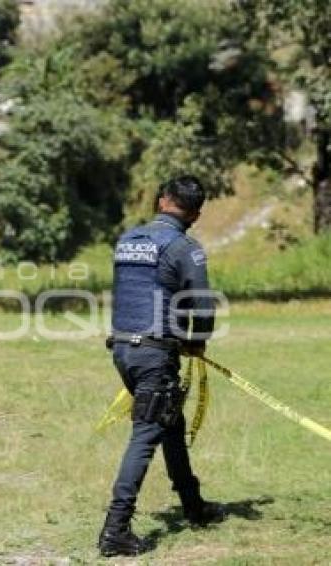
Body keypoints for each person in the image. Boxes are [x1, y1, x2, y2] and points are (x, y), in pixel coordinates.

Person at [99, 175, 224, 557]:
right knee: (147, 431)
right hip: (155, 353)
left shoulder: (129, 240)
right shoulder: (185, 247)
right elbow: (201, 305)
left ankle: (193, 505)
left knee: (171, 423)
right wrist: (197, 340)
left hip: (123, 348)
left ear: (161, 201)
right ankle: (115, 529)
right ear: (196, 214)